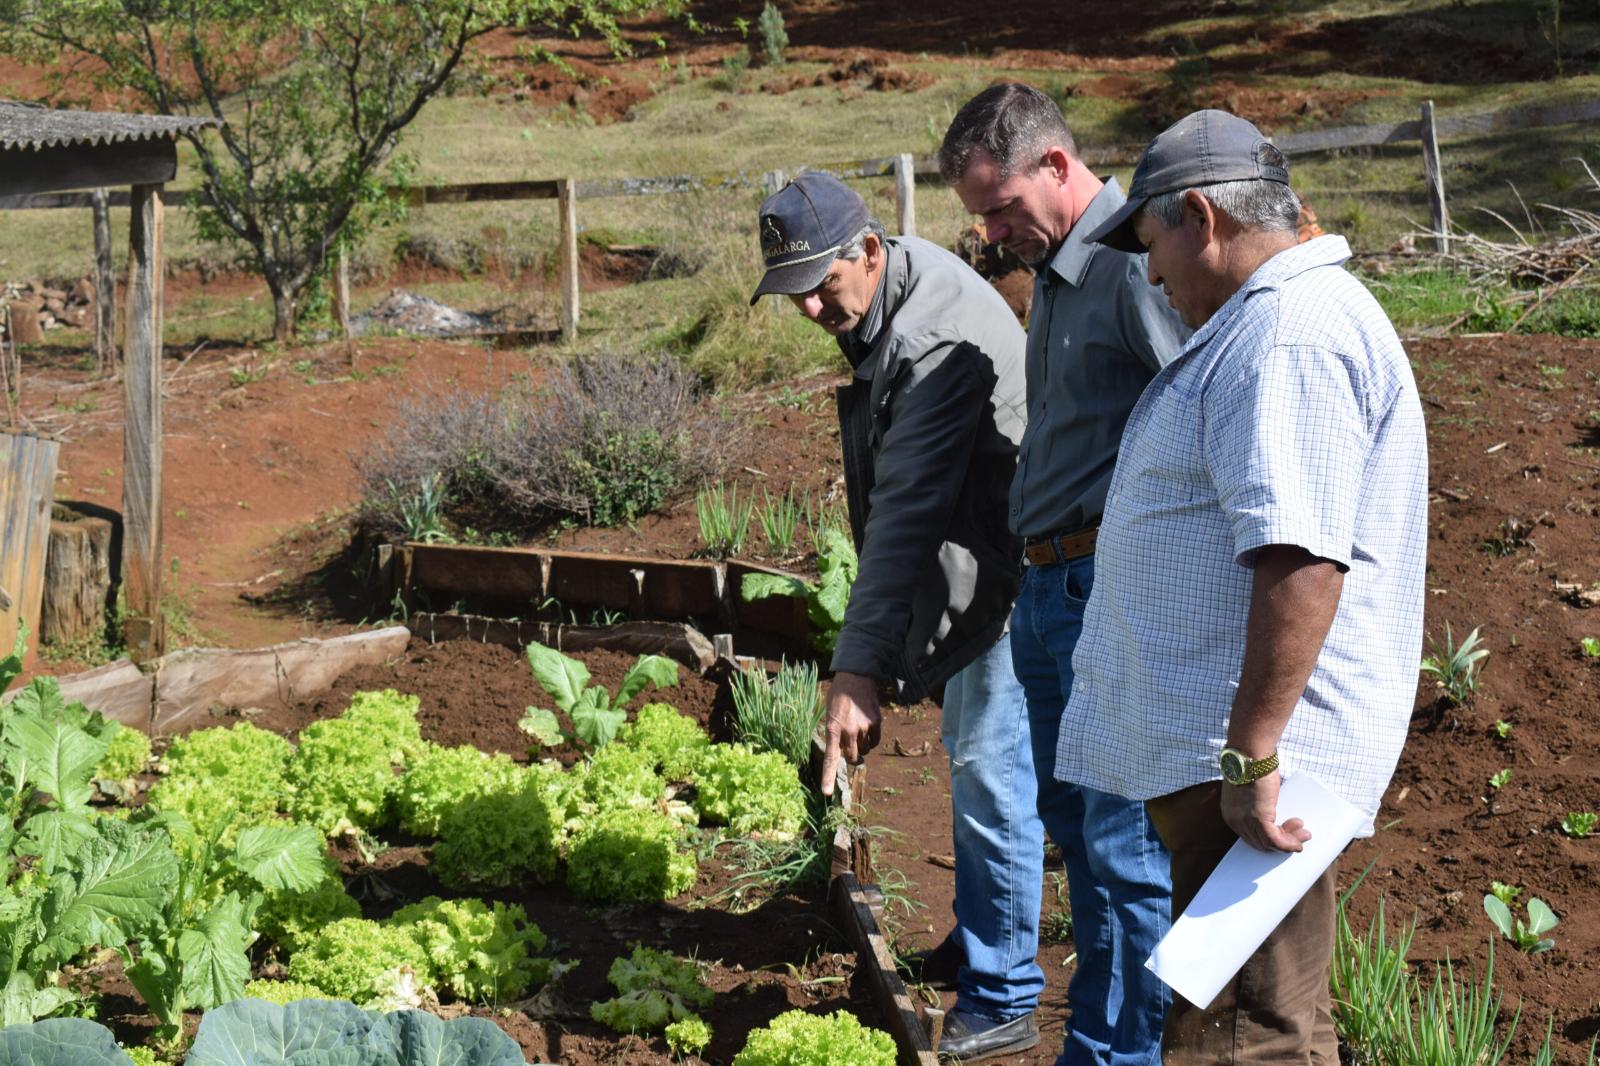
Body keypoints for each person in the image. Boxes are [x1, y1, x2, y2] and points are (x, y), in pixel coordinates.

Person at [1068, 108, 1428, 1064]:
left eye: (1151, 247)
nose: (1151, 276)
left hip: (1260, 767)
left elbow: (1300, 558)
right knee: (1275, 1024)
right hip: (1244, 758)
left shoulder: (1287, 337)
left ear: (1201, 217)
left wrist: (1251, 756)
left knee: (1236, 1040)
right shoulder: (1273, 323)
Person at [749, 173, 1039, 1059]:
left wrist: (857, 669)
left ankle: (1006, 990)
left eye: (822, 284)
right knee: (976, 755)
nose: (810, 308)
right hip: (979, 561)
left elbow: (907, 511)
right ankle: (982, 939)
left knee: (993, 769)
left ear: (869, 251)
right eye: (794, 292)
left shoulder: (931, 333)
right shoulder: (889, 299)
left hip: (1009, 578)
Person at [937, 83, 1188, 1066]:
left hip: (1103, 590)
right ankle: (1100, 1040)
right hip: (1050, 591)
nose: (993, 232)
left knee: (1124, 850)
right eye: (982, 216)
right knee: (1077, 833)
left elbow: (1194, 416)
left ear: (1054, 163)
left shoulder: (1129, 266)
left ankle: (1122, 1053)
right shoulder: (1057, 267)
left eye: (1001, 206)